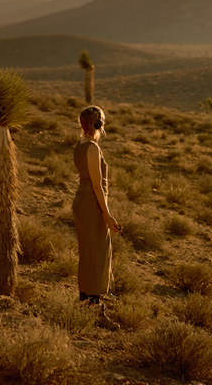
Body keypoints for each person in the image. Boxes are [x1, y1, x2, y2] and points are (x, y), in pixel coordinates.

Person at [73, 105, 121, 329]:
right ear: (98, 124)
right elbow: (97, 186)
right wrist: (107, 215)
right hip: (91, 204)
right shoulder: (92, 148)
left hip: (81, 202)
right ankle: (94, 308)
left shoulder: (80, 145)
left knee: (87, 252)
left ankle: (85, 303)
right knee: (98, 253)